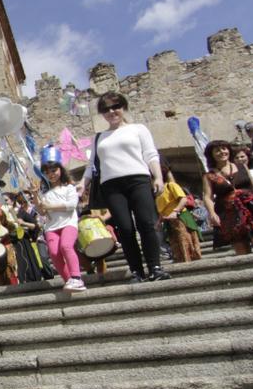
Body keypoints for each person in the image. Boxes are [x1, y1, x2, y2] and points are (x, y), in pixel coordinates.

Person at [79, 92, 170, 282]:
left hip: (138, 179)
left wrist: (158, 177)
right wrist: (82, 183)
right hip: (111, 186)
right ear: (102, 114)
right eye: (106, 109)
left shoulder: (138, 129)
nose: (111, 112)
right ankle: (136, 270)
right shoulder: (99, 138)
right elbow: (92, 165)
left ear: (123, 107)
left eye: (116, 107)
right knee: (125, 229)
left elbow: (151, 154)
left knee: (146, 224)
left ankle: (155, 266)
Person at [202, 140, 253, 255]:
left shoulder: (242, 166)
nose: (221, 152)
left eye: (224, 148)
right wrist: (212, 213)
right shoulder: (209, 176)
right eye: (217, 150)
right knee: (241, 248)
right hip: (229, 213)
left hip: (252, 207)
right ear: (211, 154)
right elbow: (207, 197)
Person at [38, 149, 85, 292]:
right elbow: (41, 211)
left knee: (66, 246)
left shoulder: (69, 188)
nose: (51, 174)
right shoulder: (44, 193)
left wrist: (51, 206)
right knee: (54, 253)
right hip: (51, 227)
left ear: (60, 170)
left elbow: (71, 206)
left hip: (68, 224)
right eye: (47, 172)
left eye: (54, 170)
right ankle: (68, 280)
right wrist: (35, 195)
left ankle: (76, 278)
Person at [158, 158, 202, 263]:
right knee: (175, 242)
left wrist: (175, 211)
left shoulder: (171, 185)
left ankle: (189, 261)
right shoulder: (158, 192)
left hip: (180, 217)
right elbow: (162, 209)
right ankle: (182, 261)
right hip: (169, 220)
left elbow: (183, 199)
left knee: (185, 241)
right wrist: (159, 221)